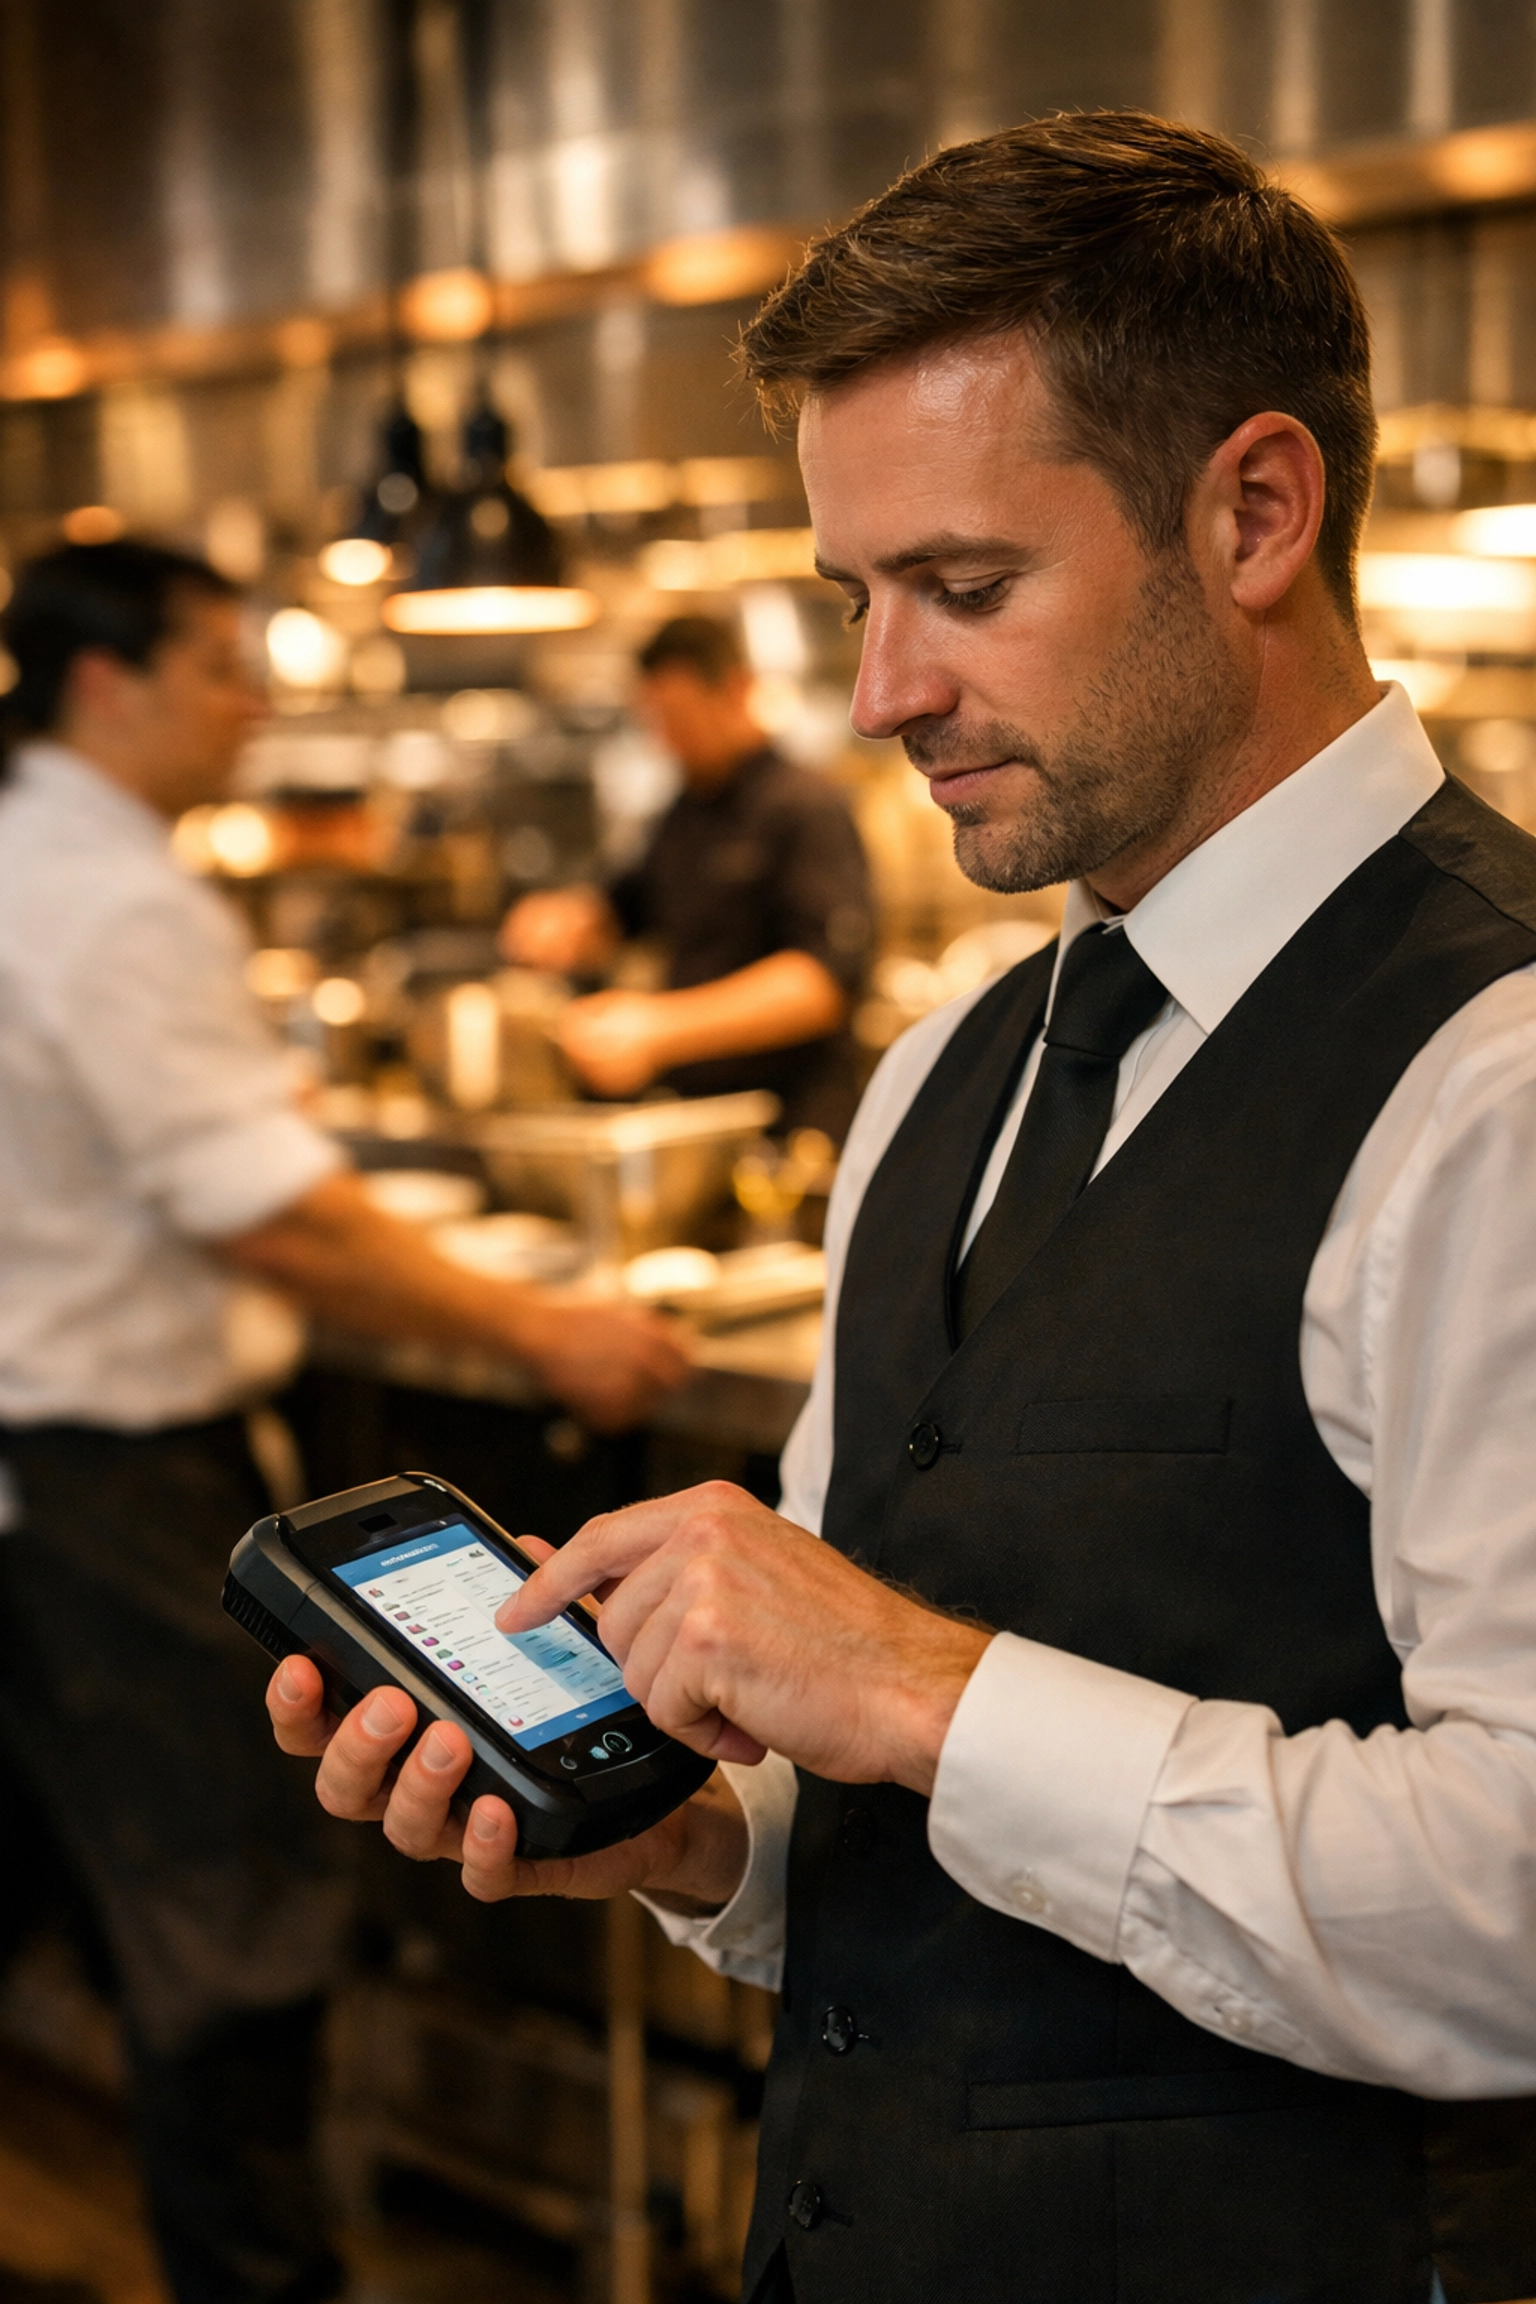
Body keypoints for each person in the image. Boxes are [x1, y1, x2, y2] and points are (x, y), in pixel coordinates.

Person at [271, 114, 1536, 2304]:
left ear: (1254, 508)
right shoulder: (957, 1063)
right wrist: (704, 1841)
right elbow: (911, 1807)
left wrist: (932, 1694)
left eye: (965, 589)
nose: (880, 697)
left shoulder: (1498, 1076)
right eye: (857, 600)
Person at [0, 540, 689, 2304]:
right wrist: (542, 1326)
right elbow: (274, 1213)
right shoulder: (106, 892)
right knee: (227, 1938)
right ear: (109, 680)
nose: (254, 703)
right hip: (118, 1485)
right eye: (222, 666)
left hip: (43, 1473)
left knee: (105, 1920)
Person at [502, 615, 873, 1139]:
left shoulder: (807, 807)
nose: (666, 742)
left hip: (793, 1127)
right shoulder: (683, 809)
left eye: (679, 718)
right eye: (654, 721)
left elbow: (821, 985)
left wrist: (661, 1028)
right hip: (702, 1120)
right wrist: (568, 921)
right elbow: (622, 910)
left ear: (736, 691)